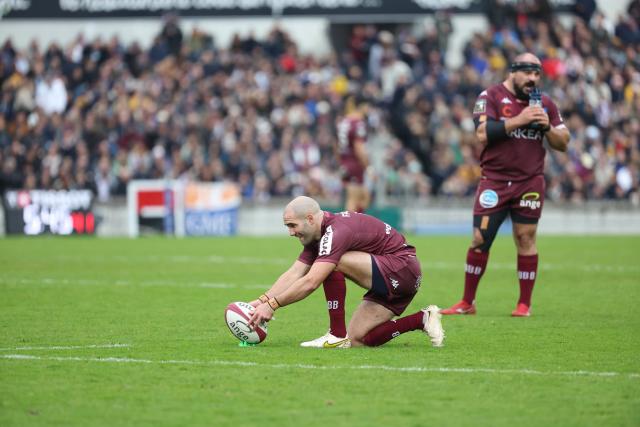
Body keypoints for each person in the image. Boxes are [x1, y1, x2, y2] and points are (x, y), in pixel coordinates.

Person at [440, 53, 570, 317]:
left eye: (537, 75)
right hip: (495, 182)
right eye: (528, 74)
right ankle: (467, 302)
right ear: (513, 72)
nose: (533, 80)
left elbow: (564, 142)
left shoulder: (545, 103)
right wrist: (520, 120)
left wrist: (547, 128)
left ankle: (524, 304)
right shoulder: (490, 97)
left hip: (529, 181)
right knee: (479, 239)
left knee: (525, 238)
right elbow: (482, 134)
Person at [247, 196, 445, 348]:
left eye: (292, 225)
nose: (290, 232)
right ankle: (422, 319)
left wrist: (273, 305)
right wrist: (262, 300)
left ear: (309, 218)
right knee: (359, 338)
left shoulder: (335, 232)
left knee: (332, 262)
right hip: (392, 274)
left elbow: (311, 281)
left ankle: (336, 335)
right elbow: (295, 273)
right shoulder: (316, 235)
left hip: (402, 268)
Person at [297, 94, 372, 348]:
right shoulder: (357, 122)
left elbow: (338, 146)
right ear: (360, 105)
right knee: (356, 202)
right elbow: (360, 147)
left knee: (356, 201)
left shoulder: (342, 122)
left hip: (344, 163)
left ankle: (348, 235)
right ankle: (349, 238)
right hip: (355, 165)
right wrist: (367, 165)